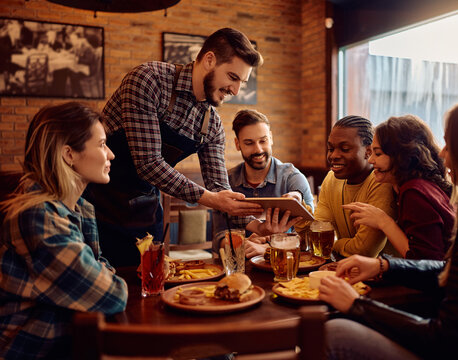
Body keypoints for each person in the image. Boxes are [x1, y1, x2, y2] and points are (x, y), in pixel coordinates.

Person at [320, 98, 458, 359]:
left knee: (333, 333)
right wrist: (385, 266)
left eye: (450, 144)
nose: (443, 153)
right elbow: (453, 270)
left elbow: (446, 338)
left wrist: (357, 305)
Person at [85, 28, 296, 267]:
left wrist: (260, 226)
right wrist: (213, 200)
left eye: (242, 82)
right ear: (209, 60)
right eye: (233, 77)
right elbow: (148, 164)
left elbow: (219, 188)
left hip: (144, 211)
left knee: (146, 285)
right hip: (96, 204)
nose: (236, 91)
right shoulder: (148, 80)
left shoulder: (212, 124)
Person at [0, 102, 128, 359]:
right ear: (69, 154)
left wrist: (101, 275)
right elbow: (112, 294)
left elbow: (102, 270)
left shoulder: (76, 207)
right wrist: (102, 276)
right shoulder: (39, 217)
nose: (111, 155)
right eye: (102, 144)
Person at [343, 115, 455, 260]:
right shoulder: (416, 186)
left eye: (378, 153)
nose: (371, 160)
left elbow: (424, 261)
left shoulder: (414, 192)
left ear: (401, 156)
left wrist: (383, 221)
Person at [212, 109, 314, 258]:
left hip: (285, 264)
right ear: (237, 144)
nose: (258, 149)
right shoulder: (226, 181)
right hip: (241, 264)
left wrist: (267, 248)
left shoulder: (293, 178)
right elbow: (218, 236)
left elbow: (311, 236)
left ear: (271, 138)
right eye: (249, 143)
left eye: (263, 141)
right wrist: (243, 244)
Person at [295, 115, 396, 258]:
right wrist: (298, 212)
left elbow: (364, 250)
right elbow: (316, 233)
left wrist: (331, 244)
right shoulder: (331, 178)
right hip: (346, 268)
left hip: (385, 275)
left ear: (368, 151)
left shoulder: (381, 182)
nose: (333, 155)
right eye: (330, 148)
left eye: (345, 149)